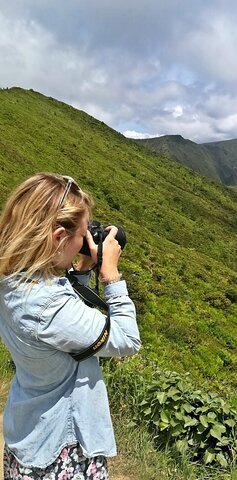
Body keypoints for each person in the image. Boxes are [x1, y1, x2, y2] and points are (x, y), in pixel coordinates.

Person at [0, 173, 141, 479]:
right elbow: (127, 339)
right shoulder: (48, 306)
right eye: (81, 233)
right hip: (60, 453)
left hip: (29, 431)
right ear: (58, 237)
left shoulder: (13, 280)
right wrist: (111, 276)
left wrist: (82, 272)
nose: (84, 241)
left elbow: (59, 314)